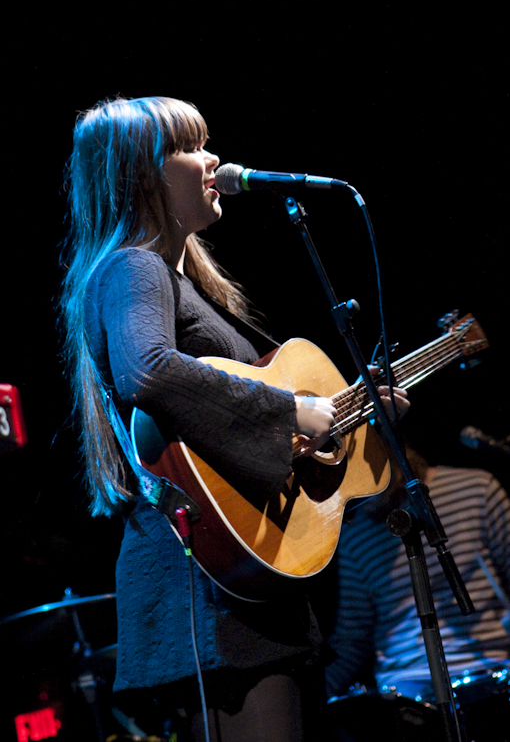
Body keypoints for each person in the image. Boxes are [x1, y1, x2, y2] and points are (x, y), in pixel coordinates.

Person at [59, 95, 409, 742]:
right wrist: (294, 410)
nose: (213, 158)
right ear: (146, 175)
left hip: (248, 581)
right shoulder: (133, 265)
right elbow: (149, 369)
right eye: (193, 146)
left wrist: (354, 417)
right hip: (207, 588)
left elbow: (240, 425)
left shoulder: (184, 280)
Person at [323, 440, 510, 742]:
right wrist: (308, 696)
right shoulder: (356, 533)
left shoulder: (477, 489)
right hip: (404, 697)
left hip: (489, 676)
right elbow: (351, 639)